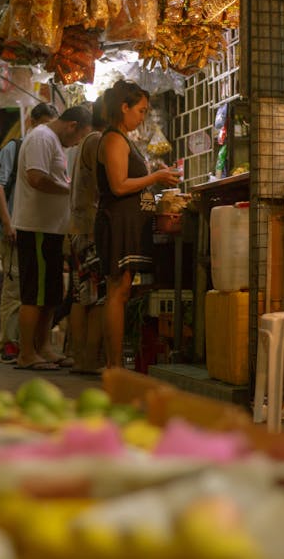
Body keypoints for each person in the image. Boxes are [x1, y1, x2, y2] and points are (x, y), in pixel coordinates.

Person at [95, 80, 181, 368]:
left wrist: (153, 175)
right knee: (117, 292)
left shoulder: (123, 138)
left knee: (122, 290)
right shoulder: (113, 139)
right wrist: (155, 178)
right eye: (141, 110)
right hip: (117, 222)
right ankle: (114, 364)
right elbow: (118, 185)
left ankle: (115, 363)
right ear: (124, 107)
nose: (142, 117)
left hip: (128, 223)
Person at [12, 104, 93, 371]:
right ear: (72, 126)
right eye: (79, 136)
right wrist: (69, 191)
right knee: (34, 294)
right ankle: (26, 353)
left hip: (52, 229)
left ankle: (43, 347)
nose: (77, 143)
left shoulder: (53, 141)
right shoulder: (41, 138)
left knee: (50, 294)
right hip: (36, 228)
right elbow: (36, 178)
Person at [0, 102, 58, 363]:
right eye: (44, 125)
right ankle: (9, 343)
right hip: (15, 229)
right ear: (31, 122)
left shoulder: (48, 149)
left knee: (32, 290)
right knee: (15, 288)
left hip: (36, 228)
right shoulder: (15, 147)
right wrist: (8, 224)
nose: (47, 131)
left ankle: (31, 344)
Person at [68, 95, 108, 374]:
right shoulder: (96, 141)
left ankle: (81, 357)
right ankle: (88, 359)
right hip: (90, 229)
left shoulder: (88, 141)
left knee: (82, 296)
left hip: (81, 227)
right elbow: (105, 184)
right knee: (95, 298)